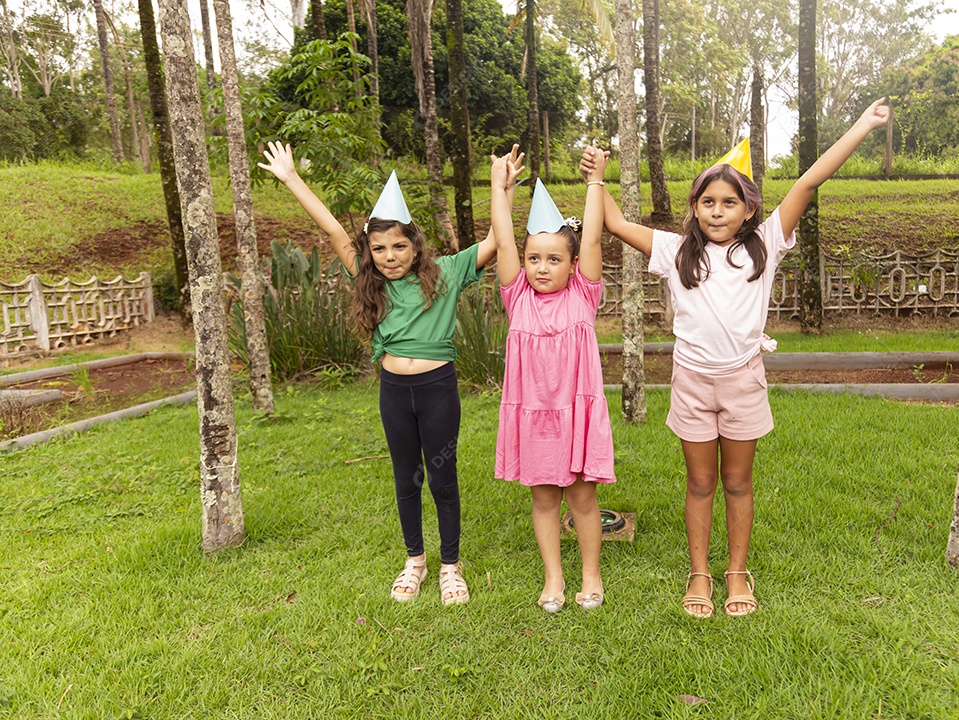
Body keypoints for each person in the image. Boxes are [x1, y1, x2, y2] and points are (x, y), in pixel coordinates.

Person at [584, 100, 891, 618]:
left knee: (737, 482)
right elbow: (612, 222)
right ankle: (699, 573)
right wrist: (596, 178)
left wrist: (862, 125)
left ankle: (736, 572)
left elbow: (809, 182)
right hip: (692, 384)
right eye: (707, 201)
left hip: (743, 381)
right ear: (695, 206)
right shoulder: (675, 250)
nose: (717, 211)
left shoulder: (765, 244)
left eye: (729, 202)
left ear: (749, 210)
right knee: (700, 483)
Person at [259, 141, 524, 606]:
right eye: (379, 248)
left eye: (399, 246)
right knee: (407, 478)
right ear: (369, 251)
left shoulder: (445, 273)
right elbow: (331, 227)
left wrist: (503, 189)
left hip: (438, 389)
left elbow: (496, 240)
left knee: (442, 479)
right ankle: (415, 560)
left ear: (415, 246)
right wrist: (291, 178)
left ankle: (450, 565)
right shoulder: (369, 279)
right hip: (395, 391)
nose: (389, 256)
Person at [489, 148, 615, 612]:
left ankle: (591, 575)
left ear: (573, 263)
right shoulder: (517, 296)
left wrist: (595, 182)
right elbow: (503, 241)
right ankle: (554, 578)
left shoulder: (584, 294)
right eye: (534, 258)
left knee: (583, 500)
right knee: (544, 501)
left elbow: (594, 238)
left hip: (576, 416)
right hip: (536, 419)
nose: (542, 267)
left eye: (554, 259)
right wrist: (499, 187)